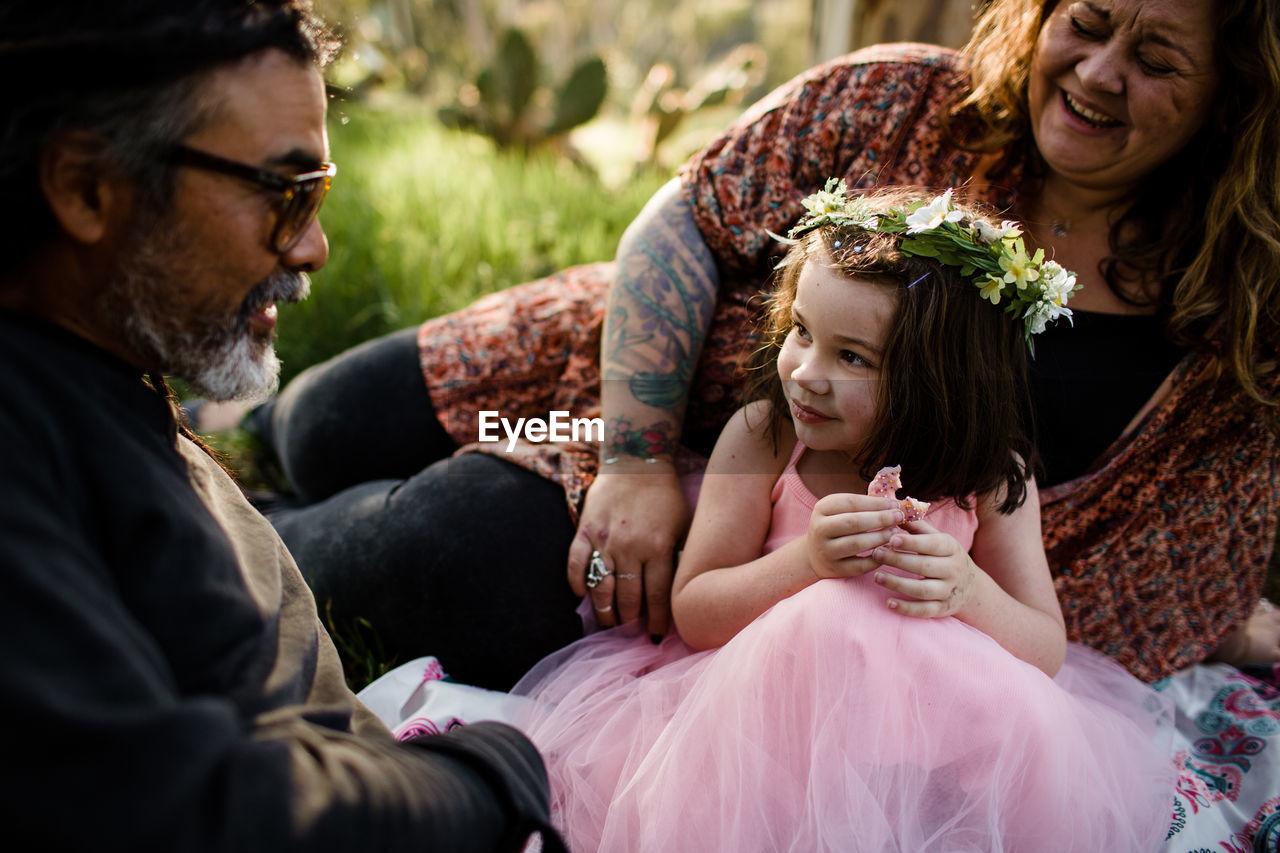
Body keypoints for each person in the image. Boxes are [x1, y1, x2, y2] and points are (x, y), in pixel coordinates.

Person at [260, 0, 1279, 691]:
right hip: (630, 396)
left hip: (762, 551)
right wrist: (633, 455)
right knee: (322, 422)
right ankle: (280, 443)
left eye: (1152, 60)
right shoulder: (909, 99)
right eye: (1087, 25)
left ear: (1228, 96)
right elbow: (685, 220)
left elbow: (1169, 566)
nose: (1096, 74)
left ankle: (241, 532)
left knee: (456, 552)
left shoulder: (1236, 321)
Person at [0, 2, 565, 850]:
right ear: (86, 186)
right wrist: (489, 775)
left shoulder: (96, 366)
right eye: (286, 191)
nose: (314, 248)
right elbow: (182, 806)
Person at [504, 185, 1174, 851]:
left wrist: (969, 592)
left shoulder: (990, 481)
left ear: (942, 378)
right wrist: (806, 563)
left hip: (929, 751)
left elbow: (1045, 649)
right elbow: (697, 611)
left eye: (851, 357)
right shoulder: (765, 438)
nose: (804, 373)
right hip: (762, 734)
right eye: (801, 331)